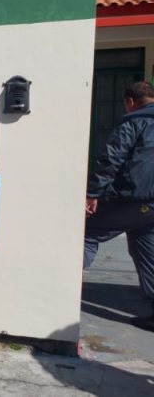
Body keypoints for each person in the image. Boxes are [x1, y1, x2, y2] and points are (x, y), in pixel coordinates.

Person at [84, 81, 154, 332]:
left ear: (131, 101)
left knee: (87, 232)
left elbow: (111, 158)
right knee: (147, 251)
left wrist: (92, 193)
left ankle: (61, 291)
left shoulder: (133, 122)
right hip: (151, 206)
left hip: (131, 198)